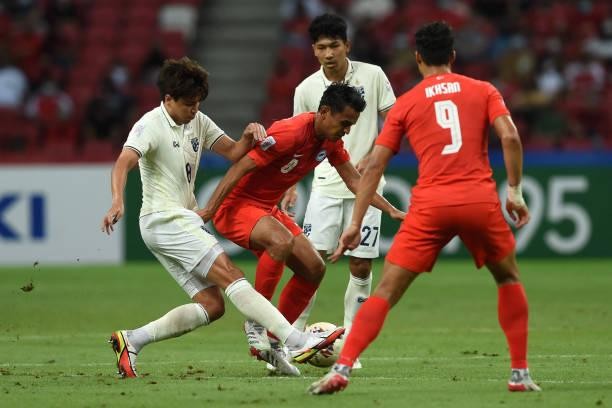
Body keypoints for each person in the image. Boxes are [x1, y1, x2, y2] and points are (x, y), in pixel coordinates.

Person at [309, 21, 541, 394]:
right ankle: (519, 374)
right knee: (508, 278)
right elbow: (510, 135)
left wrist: (355, 222)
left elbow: (373, 165)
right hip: (478, 199)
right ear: (452, 55)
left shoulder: (409, 103)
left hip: (431, 204)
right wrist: (514, 191)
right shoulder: (483, 90)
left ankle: (342, 368)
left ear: (417, 58)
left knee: (384, 291)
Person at [100, 57, 344, 378]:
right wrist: (117, 199)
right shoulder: (150, 124)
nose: (194, 109)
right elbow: (123, 161)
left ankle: (131, 340)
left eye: (198, 103)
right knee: (233, 276)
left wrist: (249, 134)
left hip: (174, 223)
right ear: (168, 99)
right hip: (165, 218)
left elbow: (232, 151)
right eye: (188, 104)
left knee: (212, 306)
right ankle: (295, 339)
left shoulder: (197, 119)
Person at [199, 83, 405, 375]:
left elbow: (355, 181)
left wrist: (391, 209)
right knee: (281, 242)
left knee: (314, 267)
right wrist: (210, 209)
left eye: (351, 125)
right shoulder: (290, 132)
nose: (347, 131)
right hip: (236, 207)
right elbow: (239, 167)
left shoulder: (330, 141)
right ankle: (257, 322)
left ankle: (274, 341)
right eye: (344, 123)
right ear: (324, 112)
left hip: (266, 209)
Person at [257, 14, 397, 370]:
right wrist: (289, 186)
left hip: (365, 187)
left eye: (334, 45)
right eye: (321, 47)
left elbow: (395, 123)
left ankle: (351, 345)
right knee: (309, 263)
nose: (328, 53)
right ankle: (291, 340)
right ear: (313, 50)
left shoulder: (374, 75)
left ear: (347, 46)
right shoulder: (305, 90)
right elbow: (295, 141)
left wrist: (372, 157)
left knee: (361, 264)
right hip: (324, 185)